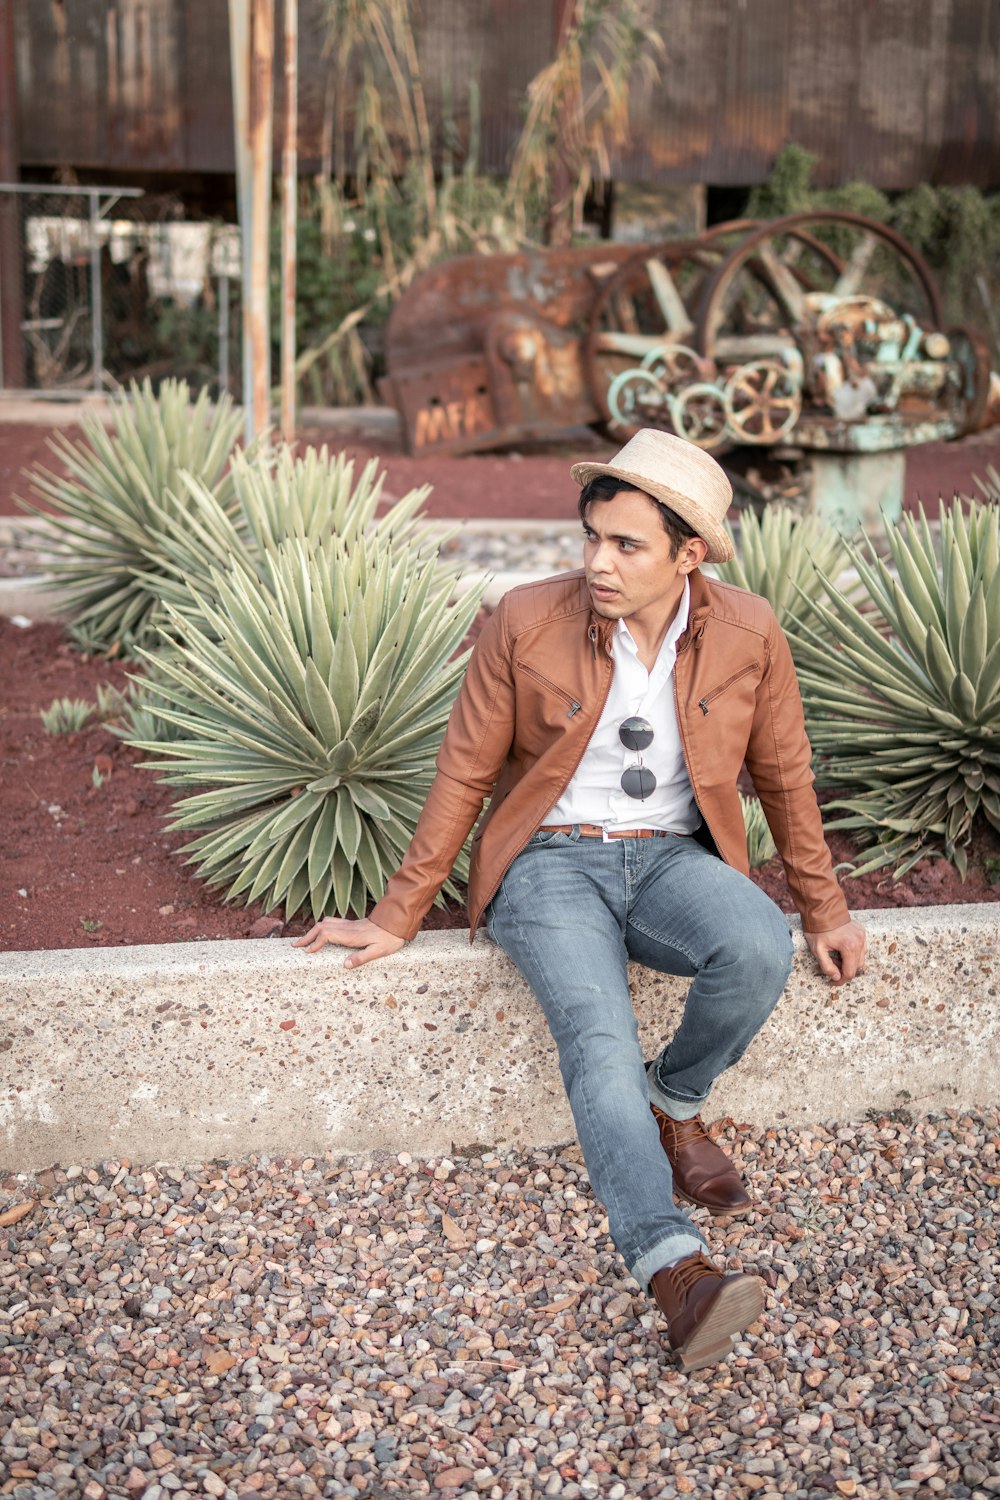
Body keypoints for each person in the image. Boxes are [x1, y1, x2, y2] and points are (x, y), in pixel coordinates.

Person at [295, 428, 867, 1372]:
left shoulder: (749, 632)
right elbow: (465, 771)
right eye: (592, 536)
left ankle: (673, 1100)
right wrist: (400, 911)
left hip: (670, 861)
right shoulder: (523, 618)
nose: (598, 562)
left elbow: (786, 775)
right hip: (550, 865)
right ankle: (675, 1269)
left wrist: (824, 909)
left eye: (626, 545)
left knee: (759, 947)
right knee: (596, 1039)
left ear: (690, 554)